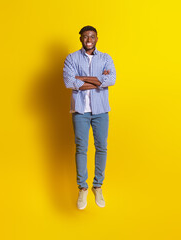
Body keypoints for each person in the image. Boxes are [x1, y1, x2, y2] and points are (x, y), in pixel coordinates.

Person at [63, 25, 116, 209]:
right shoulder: (72, 58)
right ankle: (83, 188)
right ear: (81, 39)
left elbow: (111, 80)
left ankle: (98, 186)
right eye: (86, 37)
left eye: (92, 36)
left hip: (101, 110)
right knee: (81, 147)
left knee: (101, 147)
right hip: (80, 110)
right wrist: (97, 80)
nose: (89, 40)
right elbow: (69, 82)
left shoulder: (106, 58)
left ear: (97, 38)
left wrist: (82, 79)